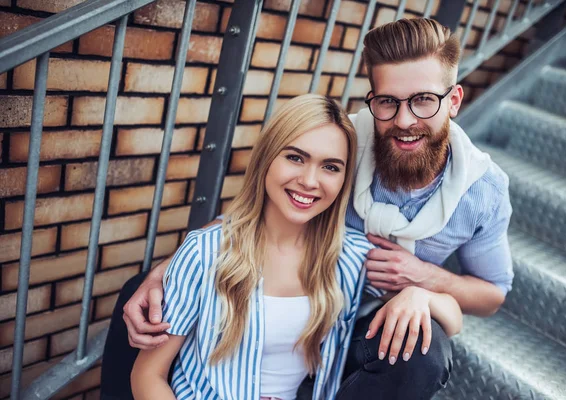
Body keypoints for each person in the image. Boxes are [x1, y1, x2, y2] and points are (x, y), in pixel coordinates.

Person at [113, 17, 513, 399]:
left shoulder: (483, 191)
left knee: (424, 351)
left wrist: (424, 286)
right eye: (389, 102)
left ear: (454, 99)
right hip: (298, 291)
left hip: (351, 310)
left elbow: (491, 294)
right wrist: (167, 270)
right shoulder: (344, 141)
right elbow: (263, 208)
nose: (405, 120)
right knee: (145, 297)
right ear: (372, 100)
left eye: (424, 100)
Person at [125, 94, 462, 400]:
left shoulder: (349, 256)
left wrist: (420, 296)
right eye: (296, 158)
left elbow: (452, 319)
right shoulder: (205, 252)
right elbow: (148, 375)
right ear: (267, 159)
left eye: (330, 167)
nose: (310, 181)